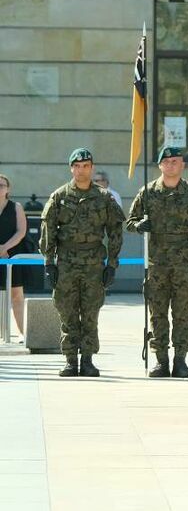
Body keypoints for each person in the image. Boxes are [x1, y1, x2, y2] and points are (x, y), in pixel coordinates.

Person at [126, 146, 188, 378]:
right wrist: (139, 225)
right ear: (160, 165)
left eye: (176, 161)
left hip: (184, 261)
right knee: (158, 314)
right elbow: (130, 221)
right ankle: (161, 360)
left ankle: (180, 360)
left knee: (182, 314)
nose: (172, 165)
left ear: (182, 165)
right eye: (167, 161)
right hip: (157, 263)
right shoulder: (148, 192)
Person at [40, 148, 124, 377]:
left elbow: (116, 230)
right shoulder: (59, 196)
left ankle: (87, 360)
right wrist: (49, 262)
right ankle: (70, 360)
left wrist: (112, 264)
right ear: (71, 168)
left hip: (94, 263)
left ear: (92, 168)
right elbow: (48, 230)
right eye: (77, 166)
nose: (81, 170)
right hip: (66, 262)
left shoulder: (104, 197)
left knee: (90, 312)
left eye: (85, 166)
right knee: (67, 311)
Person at [0, 173, 34, 337]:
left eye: (2, 185)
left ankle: (22, 333)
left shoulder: (16, 207)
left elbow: (21, 231)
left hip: (12, 255)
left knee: (16, 295)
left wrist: (5, 247)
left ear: (8, 189)